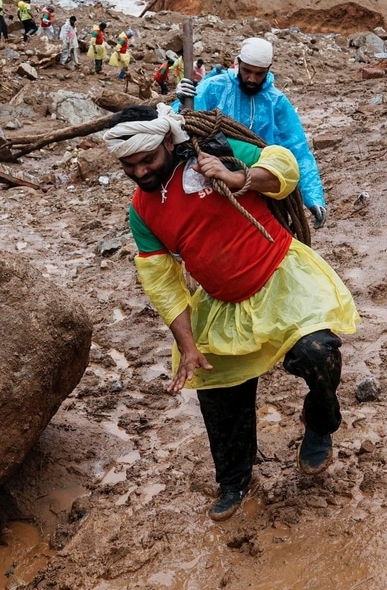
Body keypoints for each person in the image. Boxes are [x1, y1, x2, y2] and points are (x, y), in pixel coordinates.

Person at [104, 104, 358, 521]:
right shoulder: (142, 210)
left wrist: (238, 176)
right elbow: (163, 283)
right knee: (217, 391)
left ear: (168, 141)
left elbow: (282, 164)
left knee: (318, 353)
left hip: (282, 279)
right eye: (128, 165)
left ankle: (320, 423)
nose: (140, 172)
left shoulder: (217, 151)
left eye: (147, 160)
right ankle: (234, 480)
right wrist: (186, 347)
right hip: (223, 303)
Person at [177, 38, 329, 228]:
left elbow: (297, 151)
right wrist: (181, 102)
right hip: (214, 183)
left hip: (261, 187)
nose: (252, 79)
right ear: (238, 62)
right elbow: (186, 124)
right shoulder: (213, 88)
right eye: (247, 71)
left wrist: (313, 198)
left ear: (269, 69)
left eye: (259, 74)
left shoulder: (277, 102)